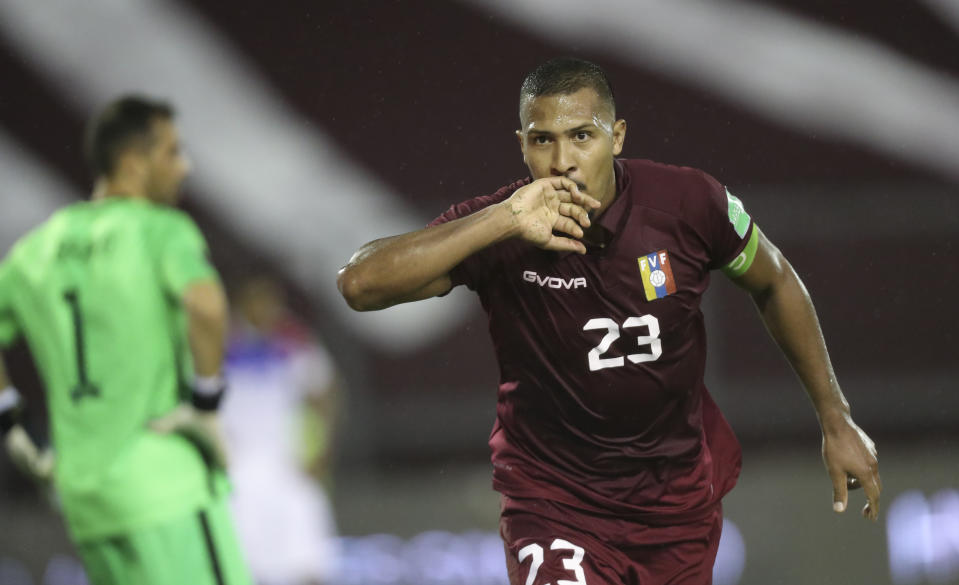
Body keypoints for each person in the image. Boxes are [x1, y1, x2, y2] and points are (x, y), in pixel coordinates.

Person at [337, 58, 881, 584]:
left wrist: (836, 419)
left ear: (617, 137)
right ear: (521, 145)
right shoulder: (499, 230)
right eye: (541, 139)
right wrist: (501, 220)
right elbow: (359, 285)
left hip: (675, 504)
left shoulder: (689, 205)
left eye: (581, 135)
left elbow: (775, 279)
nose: (561, 161)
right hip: (554, 501)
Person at [0, 95, 252, 585]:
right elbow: (205, 303)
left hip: (83, 496)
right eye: (172, 152)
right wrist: (206, 402)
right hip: (163, 482)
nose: (185, 166)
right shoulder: (160, 230)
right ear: (134, 163)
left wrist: (9, 416)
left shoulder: (35, 248)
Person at [221, 276, 340, 585]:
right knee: (243, 569)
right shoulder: (219, 346)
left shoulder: (293, 343)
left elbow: (325, 393)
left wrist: (321, 451)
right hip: (237, 474)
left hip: (290, 469)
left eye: (271, 302)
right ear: (241, 304)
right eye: (257, 301)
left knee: (308, 566)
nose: (265, 309)